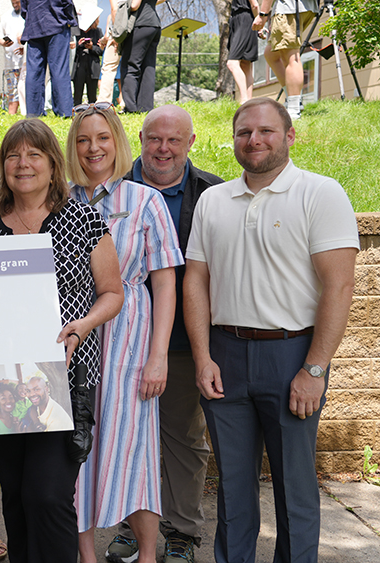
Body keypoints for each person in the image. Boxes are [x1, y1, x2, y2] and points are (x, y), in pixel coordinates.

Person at [184, 98, 358, 563]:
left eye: (266, 131)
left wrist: (314, 370)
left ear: (289, 136)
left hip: (292, 356)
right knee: (232, 485)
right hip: (224, 354)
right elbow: (195, 281)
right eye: (244, 132)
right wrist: (203, 357)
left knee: (294, 487)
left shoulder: (320, 193)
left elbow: (339, 286)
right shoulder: (213, 200)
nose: (254, 140)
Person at [0, 118, 124, 563]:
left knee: (48, 495)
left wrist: (84, 324)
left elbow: (113, 293)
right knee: (16, 496)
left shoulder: (84, 219)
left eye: (34, 154)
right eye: (14, 155)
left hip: (64, 381)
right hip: (5, 382)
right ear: (2, 166)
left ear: (53, 165)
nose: (23, 163)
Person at [104, 105, 224, 563]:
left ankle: (182, 531)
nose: (163, 149)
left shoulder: (210, 193)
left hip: (180, 343)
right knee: (124, 437)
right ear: (140, 138)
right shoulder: (112, 186)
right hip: (117, 340)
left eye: (175, 140)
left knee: (183, 439)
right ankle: (131, 527)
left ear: (190, 142)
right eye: (155, 138)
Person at [67, 102, 182, 563]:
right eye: (82, 139)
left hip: (130, 339)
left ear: (117, 142)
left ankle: (147, 555)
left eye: (102, 138)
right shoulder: (61, 198)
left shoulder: (145, 201)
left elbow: (166, 283)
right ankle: (86, 555)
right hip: (74, 336)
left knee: (134, 451)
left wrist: (159, 356)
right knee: (74, 449)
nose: (93, 148)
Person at [253, 0, 317, 119]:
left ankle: (294, 109)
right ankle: (293, 99)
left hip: (289, 7)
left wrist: (263, 15)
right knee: (271, 54)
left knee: (290, 56)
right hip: (303, 7)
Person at [21, 0, 78, 117]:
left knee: (33, 72)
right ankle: (64, 111)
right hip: (56, 24)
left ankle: (33, 112)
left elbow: (24, 8)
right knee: (59, 70)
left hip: (34, 26)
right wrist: (68, 19)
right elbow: (67, 3)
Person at [119, 0, 165, 113]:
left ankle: (130, 108)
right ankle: (145, 108)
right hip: (154, 25)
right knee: (148, 68)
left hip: (140, 23)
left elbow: (134, 5)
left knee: (130, 66)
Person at [227, 0, 259, 104]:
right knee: (245, 64)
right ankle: (249, 103)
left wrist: (259, 25)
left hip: (244, 20)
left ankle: (244, 100)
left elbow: (255, 5)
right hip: (239, 20)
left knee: (232, 63)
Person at [0, 0, 26, 114]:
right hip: (10, 62)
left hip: (25, 62)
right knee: (12, 92)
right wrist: (4, 43)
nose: (15, 5)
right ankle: (12, 116)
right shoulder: (7, 16)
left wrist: (24, 45)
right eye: (13, 2)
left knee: (25, 90)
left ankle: (26, 114)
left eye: (17, 2)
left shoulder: (28, 16)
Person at [72, 16, 104, 105]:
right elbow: (71, 51)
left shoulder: (98, 31)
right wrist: (79, 45)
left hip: (93, 65)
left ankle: (92, 110)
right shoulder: (76, 31)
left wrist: (92, 47)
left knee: (92, 95)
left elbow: (101, 51)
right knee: (77, 93)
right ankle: (77, 109)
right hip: (79, 65)